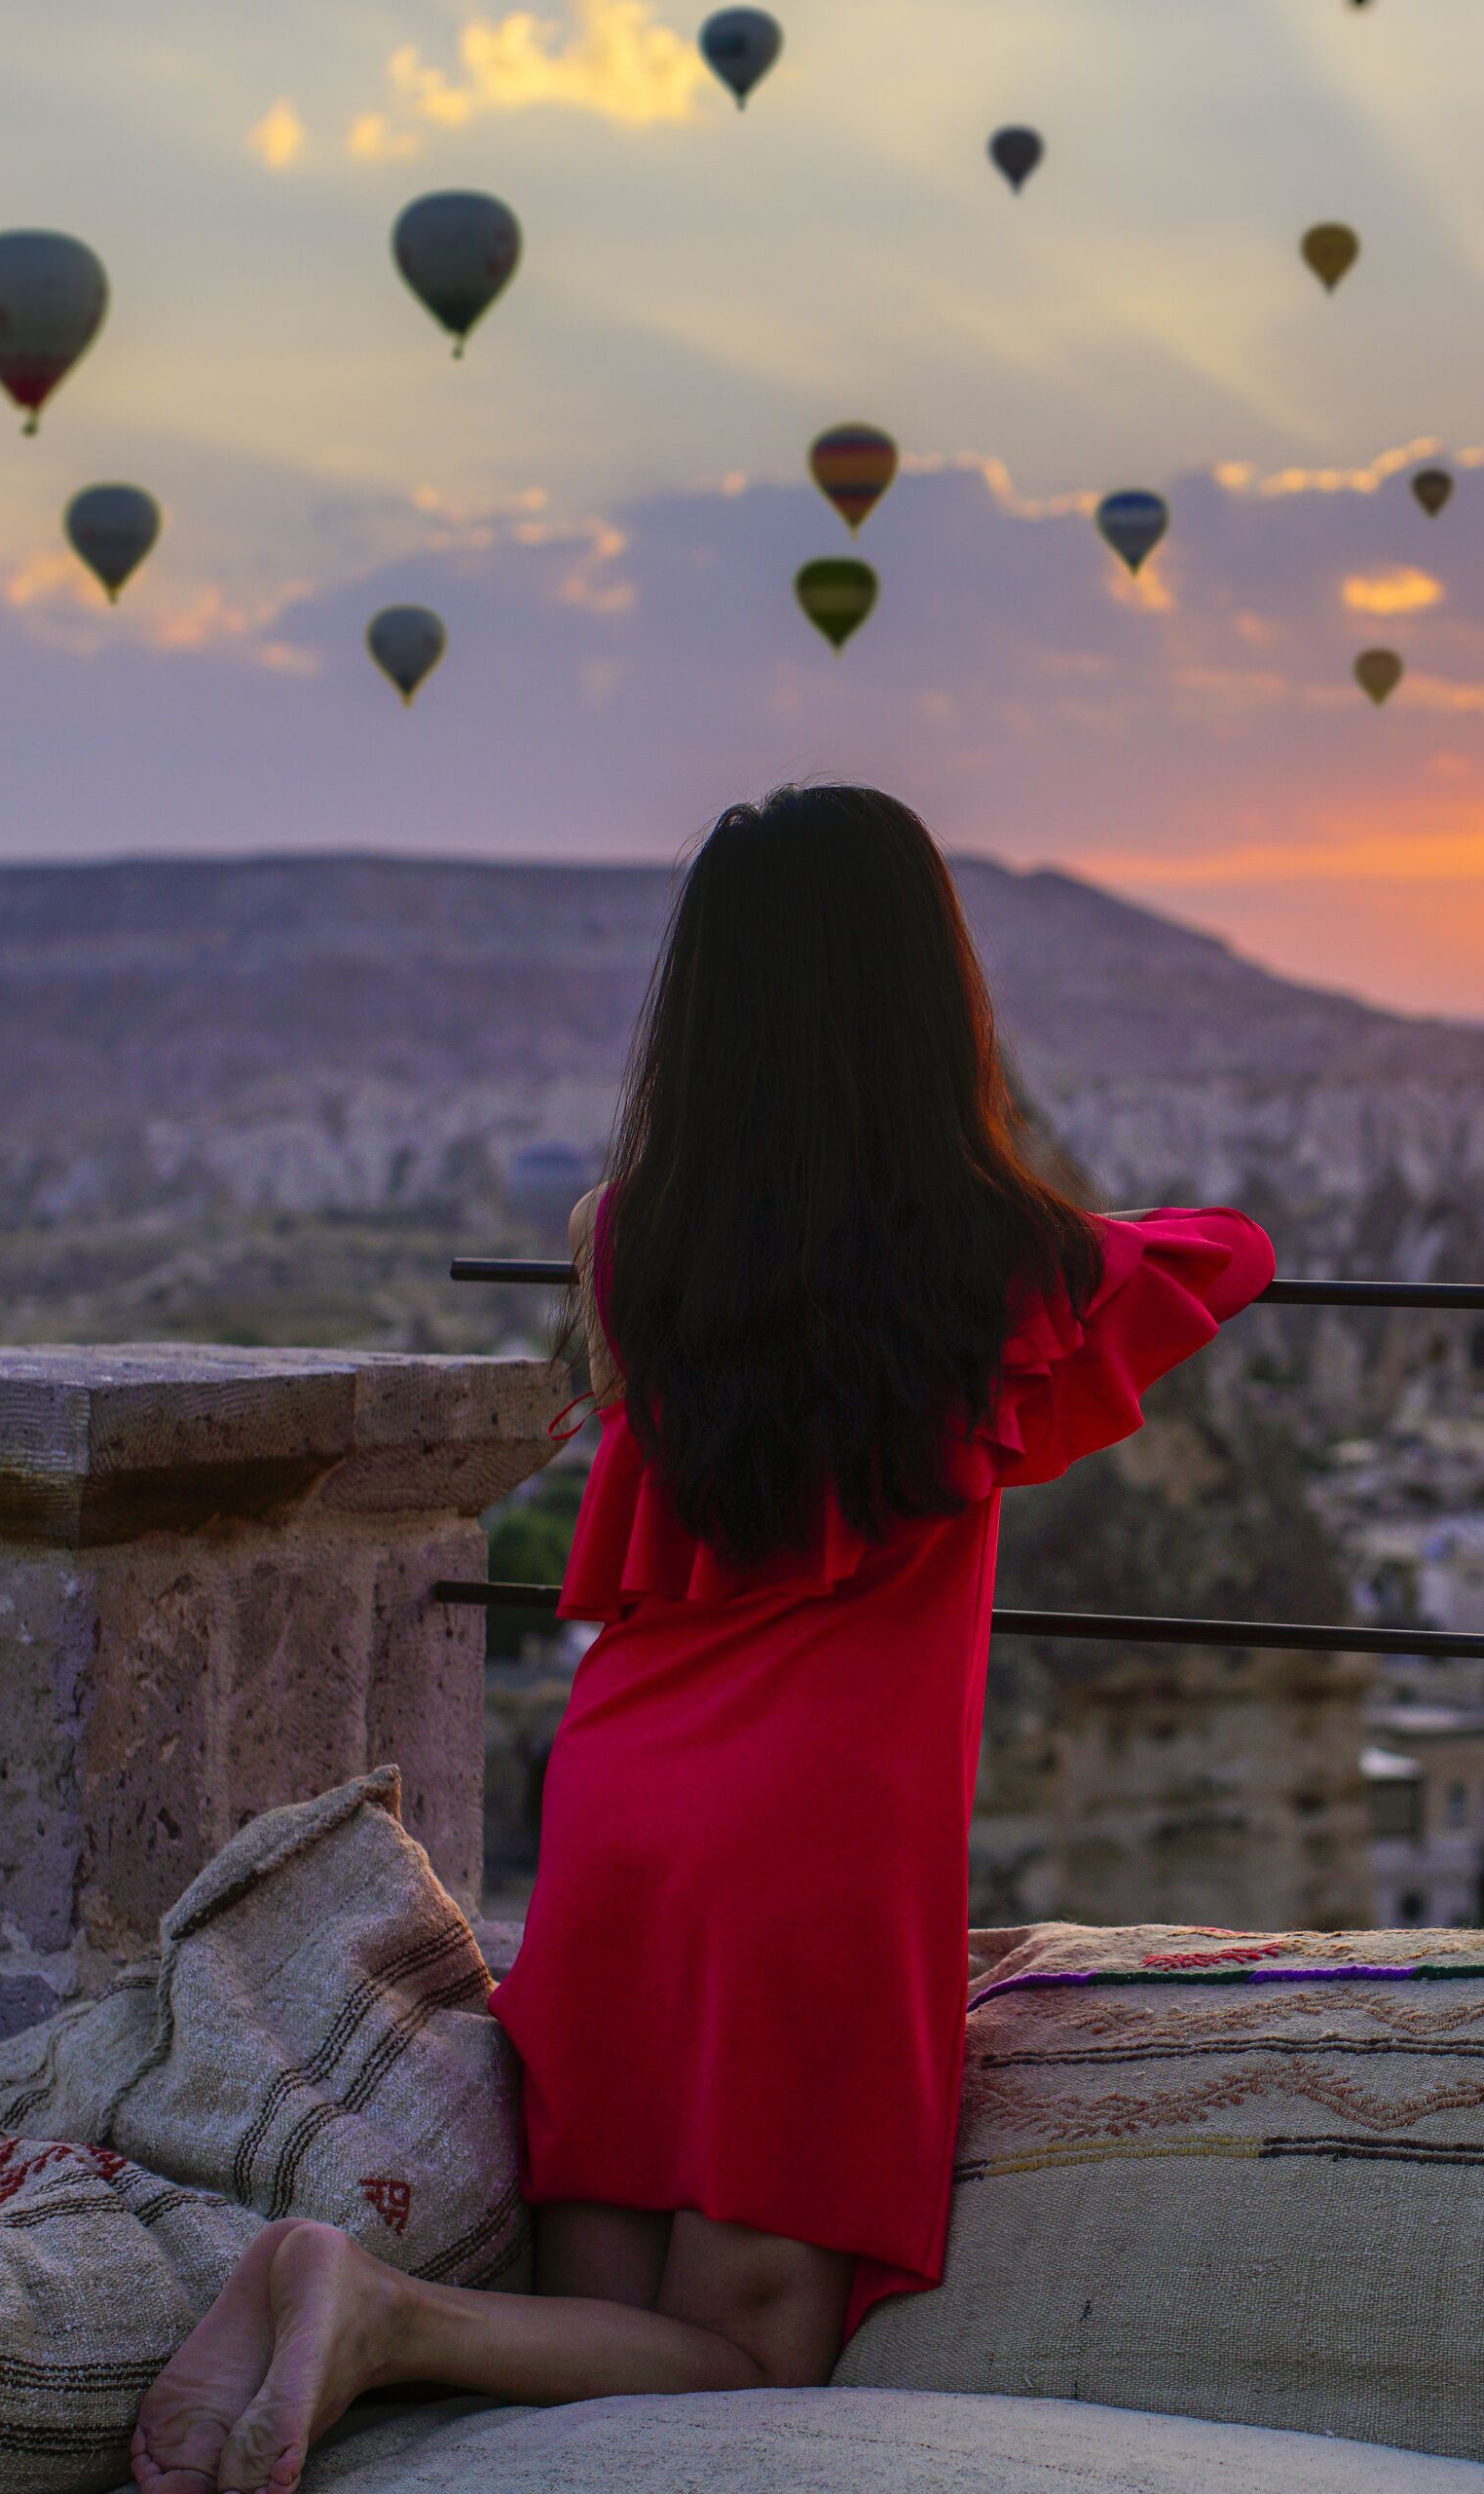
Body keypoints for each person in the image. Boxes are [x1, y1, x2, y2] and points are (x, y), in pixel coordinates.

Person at [131, 785, 1274, 2492]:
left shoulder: (622, 1237)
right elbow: (1229, 1250)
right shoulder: (1012, 1267)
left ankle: (366, 2308)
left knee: (594, 2365)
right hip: (820, 1840)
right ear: (926, 994)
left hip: (628, 1807)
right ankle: (375, 2309)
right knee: (748, 2356)